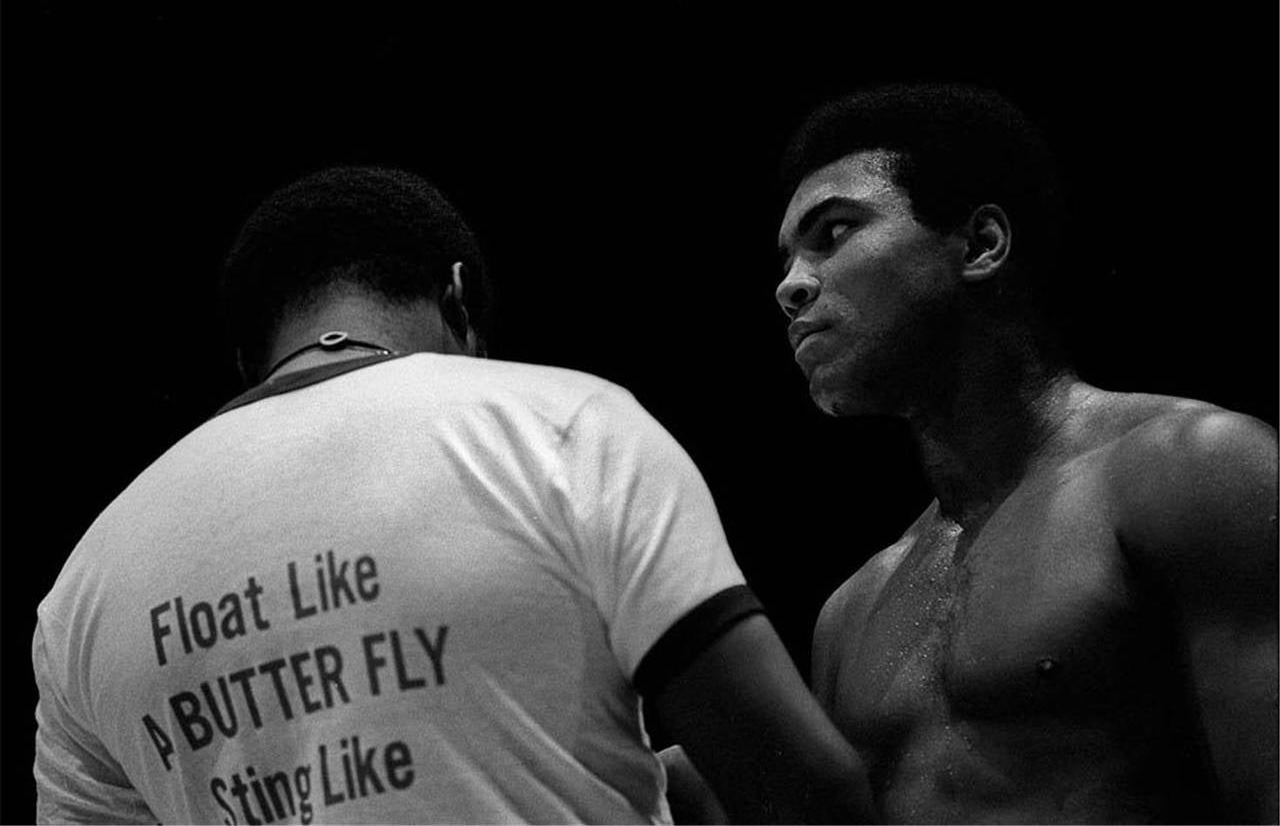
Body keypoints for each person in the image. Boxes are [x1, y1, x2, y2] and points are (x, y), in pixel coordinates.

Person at [32, 166, 871, 824]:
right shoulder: (565, 428)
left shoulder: (81, 591)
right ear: (459, 297)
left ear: (253, 361)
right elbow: (798, 789)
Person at [773, 84, 1278, 823]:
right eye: (786, 257)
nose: (790, 285)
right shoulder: (852, 610)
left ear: (981, 245)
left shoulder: (1192, 470)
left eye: (833, 232)